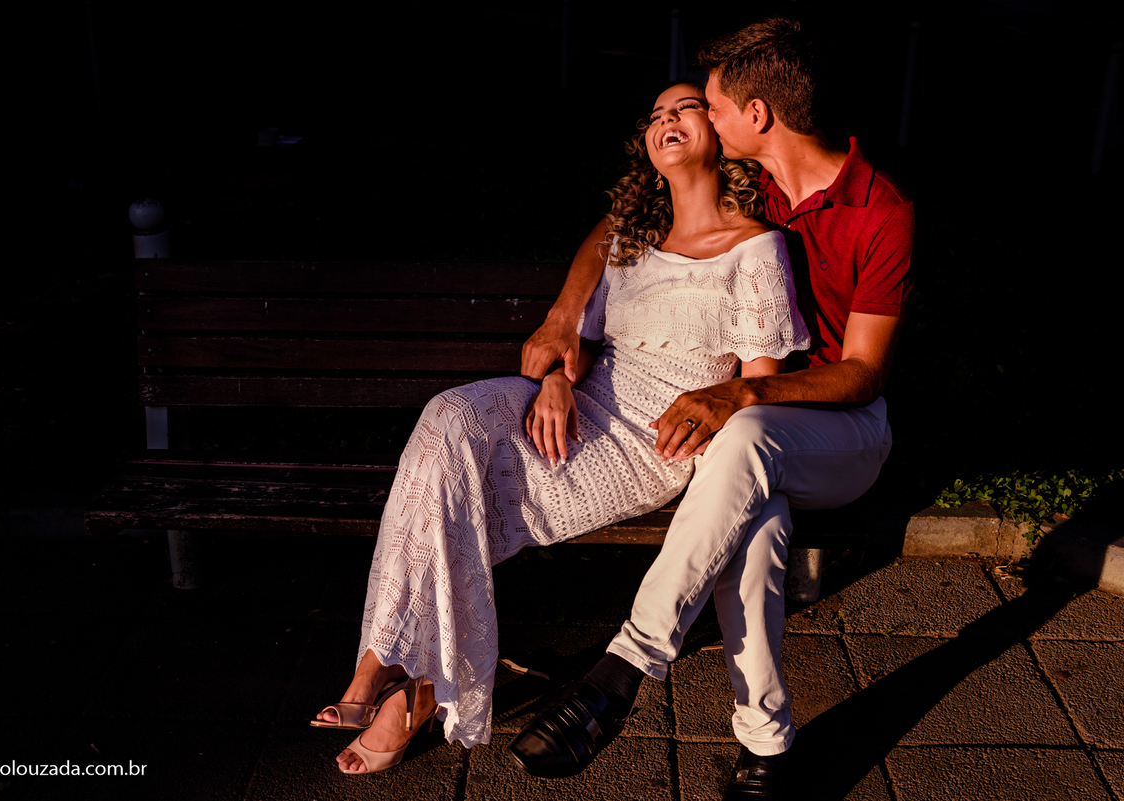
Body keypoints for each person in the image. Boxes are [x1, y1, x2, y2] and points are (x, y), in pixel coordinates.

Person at [311, 81, 811, 775]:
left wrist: (715, 420)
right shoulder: (631, 240)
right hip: (584, 406)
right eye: (657, 113)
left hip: (649, 444)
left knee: (456, 504)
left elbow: (758, 387)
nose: (666, 118)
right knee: (448, 419)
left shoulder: (757, 251)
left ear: (720, 134)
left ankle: (398, 687)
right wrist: (554, 378)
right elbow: (577, 334)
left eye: (685, 108)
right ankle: (388, 669)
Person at [511, 18, 914, 799]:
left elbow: (862, 373)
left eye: (715, 107)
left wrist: (742, 389)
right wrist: (566, 313)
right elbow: (619, 225)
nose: (703, 120)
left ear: (757, 117)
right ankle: (768, 747)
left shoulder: (880, 211)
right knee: (751, 522)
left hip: (845, 434)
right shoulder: (751, 181)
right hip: (748, 434)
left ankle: (626, 663)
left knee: (748, 436)